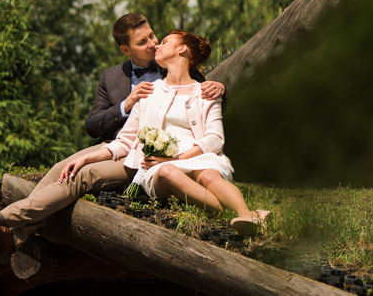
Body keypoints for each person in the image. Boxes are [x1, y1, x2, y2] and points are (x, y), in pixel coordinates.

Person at [0, 13, 225, 258]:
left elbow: (201, 91)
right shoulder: (111, 77)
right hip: (116, 144)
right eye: (143, 41)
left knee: (81, 175)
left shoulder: (169, 66)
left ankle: (2, 221)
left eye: (154, 36)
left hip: (143, 155)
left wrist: (221, 86)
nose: (154, 44)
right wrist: (127, 103)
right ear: (126, 49)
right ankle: (17, 236)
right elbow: (93, 124)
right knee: (61, 168)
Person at [60, 29, 268, 235]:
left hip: (199, 156)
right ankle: (240, 214)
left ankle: (246, 215)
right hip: (159, 166)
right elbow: (124, 141)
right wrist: (87, 159)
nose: (157, 45)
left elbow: (215, 139)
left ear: (182, 49)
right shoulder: (149, 91)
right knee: (169, 173)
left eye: (166, 41)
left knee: (209, 177)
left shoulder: (206, 92)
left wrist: (179, 157)